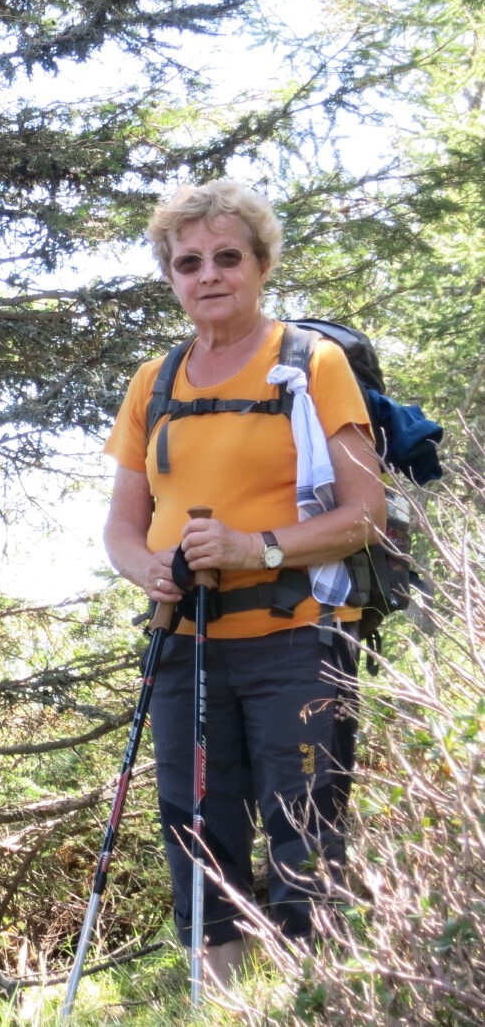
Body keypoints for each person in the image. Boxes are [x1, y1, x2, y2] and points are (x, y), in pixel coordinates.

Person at [102, 179, 385, 987]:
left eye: (228, 257)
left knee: (304, 830)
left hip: (299, 638)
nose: (209, 275)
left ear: (262, 264)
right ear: (170, 275)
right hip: (183, 642)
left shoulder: (312, 365)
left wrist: (251, 548)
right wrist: (149, 568)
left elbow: (366, 512)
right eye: (188, 262)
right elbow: (121, 526)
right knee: (197, 832)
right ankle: (218, 999)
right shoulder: (154, 381)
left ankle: (312, 994)